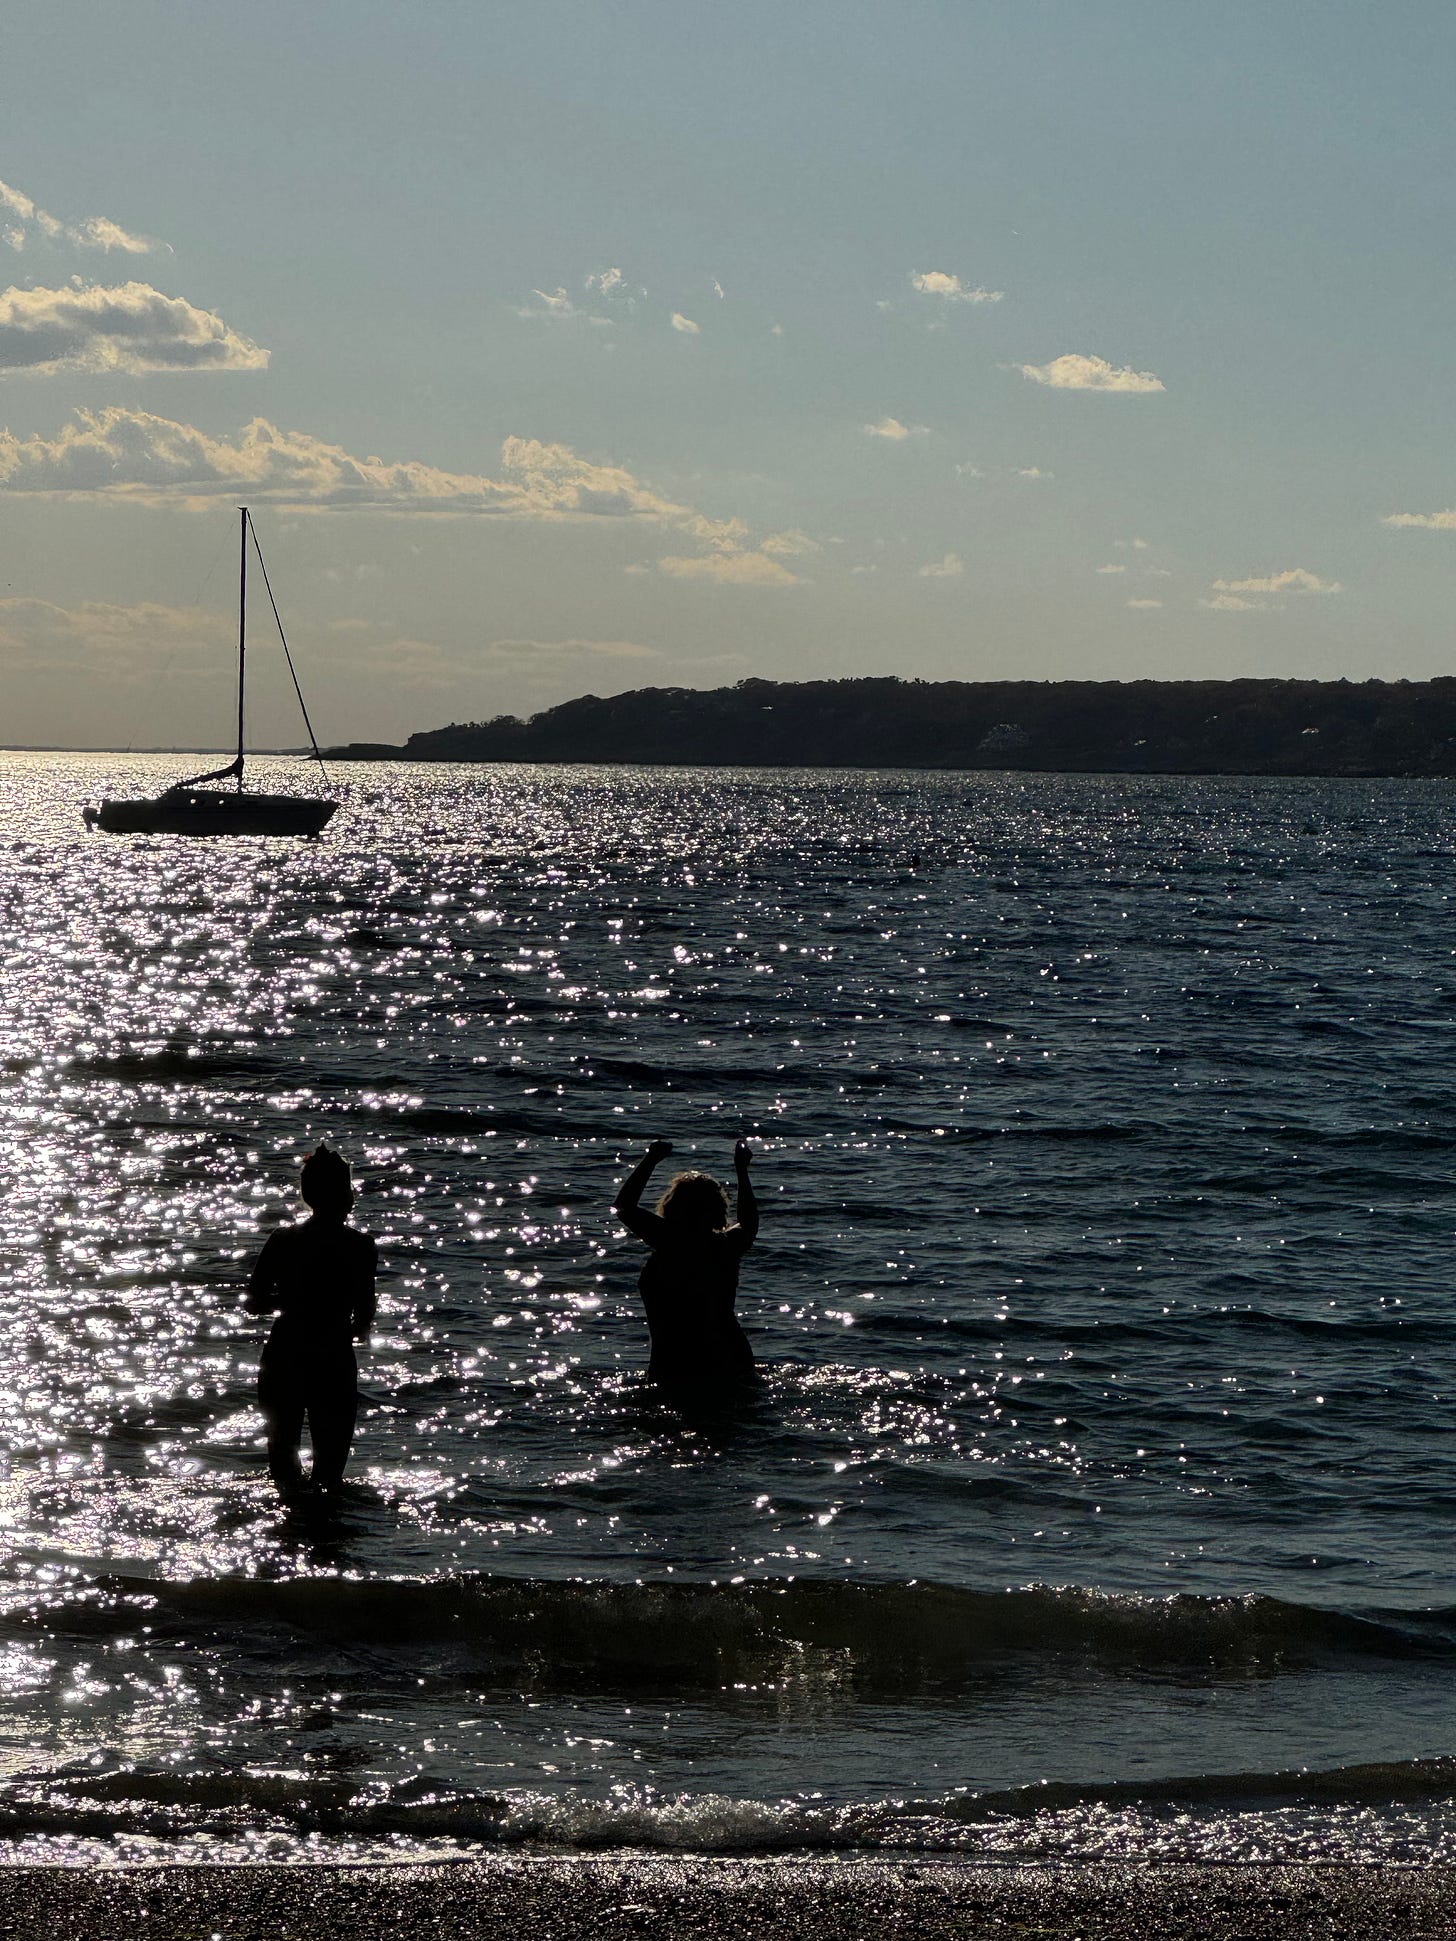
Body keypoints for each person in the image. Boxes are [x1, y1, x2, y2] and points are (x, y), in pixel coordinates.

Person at [246, 1143, 377, 1497]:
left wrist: (290, 1303)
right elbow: (364, 1314)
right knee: (331, 1468)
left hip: (285, 1349)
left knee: (283, 1459)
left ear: (307, 1194)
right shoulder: (361, 1246)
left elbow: (253, 1302)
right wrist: (351, 1325)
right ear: (347, 1197)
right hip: (333, 1354)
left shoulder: (283, 1239)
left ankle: (290, 1533)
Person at [613, 1138, 759, 1388]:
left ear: (671, 1206)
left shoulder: (668, 1240)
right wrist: (742, 1170)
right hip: (732, 1358)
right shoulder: (728, 1245)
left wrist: (651, 1159)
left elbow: (624, 1207)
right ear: (718, 1210)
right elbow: (748, 1221)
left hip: (676, 1364)